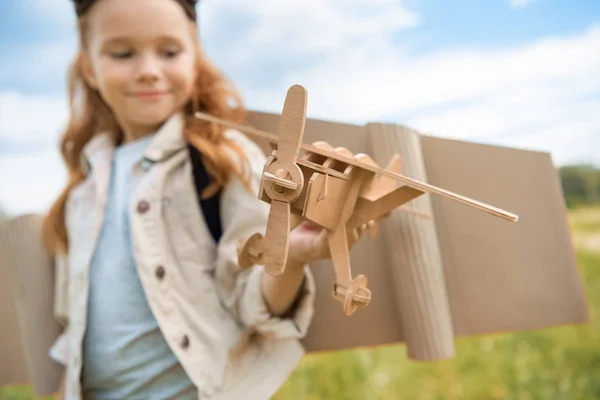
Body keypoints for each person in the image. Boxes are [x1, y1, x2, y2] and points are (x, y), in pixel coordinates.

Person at [42, 1, 370, 399]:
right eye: (123, 53)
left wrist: (292, 256)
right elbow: (76, 327)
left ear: (195, 56)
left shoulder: (220, 159)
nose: (148, 70)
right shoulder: (81, 193)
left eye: (170, 52)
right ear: (90, 68)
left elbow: (254, 300)